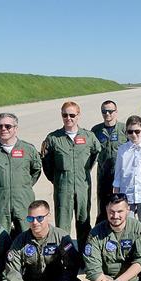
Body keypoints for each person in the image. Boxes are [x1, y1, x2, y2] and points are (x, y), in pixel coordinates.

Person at [41, 101, 101, 247]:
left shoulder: (89, 137)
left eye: (72, 115)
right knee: (62, 223)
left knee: (84, 221)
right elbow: (47, 164)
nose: (69, 118)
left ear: (78, 116)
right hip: (63, 188)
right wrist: (58, 179)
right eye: (65, 115)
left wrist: (82, 172)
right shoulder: (53, 138)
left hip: (82, 187)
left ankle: (84, 254)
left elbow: (94, 155)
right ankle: (65, 255)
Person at [0, 113, 42, 239]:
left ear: (15, 128)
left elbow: (36, 170)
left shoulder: (28, 149)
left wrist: (23, 185)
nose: (3, 129)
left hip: (23, 200)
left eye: (8, 126)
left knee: (27, 235)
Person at [114, 116, 141, 229]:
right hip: (126, 195)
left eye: (137, 131)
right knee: (127, 226)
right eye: (130, 132)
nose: (134, 135)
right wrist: (116, 197)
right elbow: (118, 175)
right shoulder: (122, 150)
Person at [92, 101, 127, 224]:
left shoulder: (124, 129)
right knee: (103, 206)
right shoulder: (96, 130)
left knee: (121, 205)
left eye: (110, 111)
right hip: (103, 175)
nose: (107, 114)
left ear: (116, 112)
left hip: (121, 175)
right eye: (104, 111)